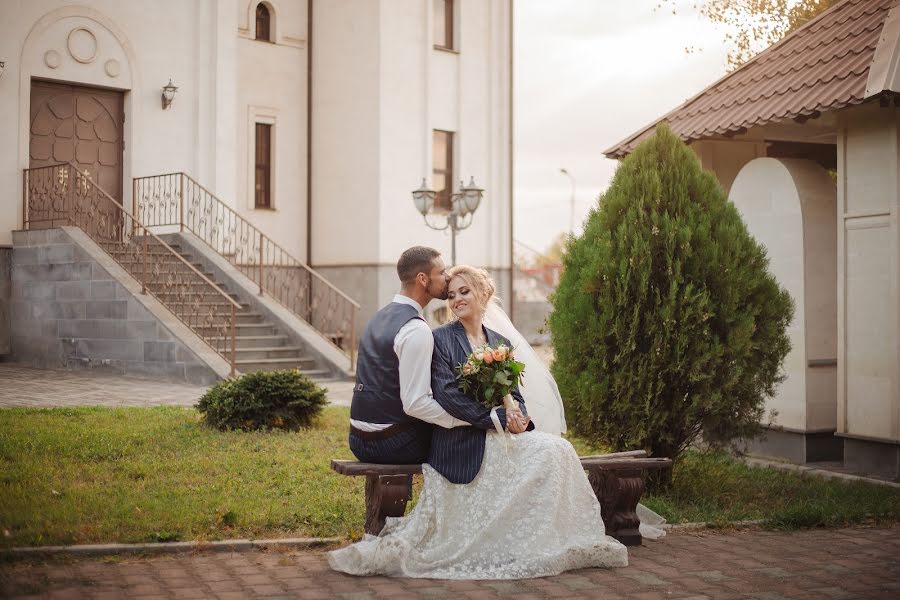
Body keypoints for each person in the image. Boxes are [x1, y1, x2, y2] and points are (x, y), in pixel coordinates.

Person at [329, 266, 629, 579]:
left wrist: (520, 418)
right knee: (548, 453)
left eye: (465, 292)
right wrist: (493, 418)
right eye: (452, 294)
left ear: (482, 294)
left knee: (559, 449)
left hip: (499, 434)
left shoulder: (499, 342)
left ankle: (538, 538)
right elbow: (446, 395)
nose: (457, 299)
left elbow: (513, 392)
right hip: (460, 439)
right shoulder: (440, 340)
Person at [347, 246, 470, 464]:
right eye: (441, 272)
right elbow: (416, 404)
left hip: (357, 439)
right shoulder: (415, 329)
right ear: (423, 279)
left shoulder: (378, 317)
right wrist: (468, 419)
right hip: (391, 443)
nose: (448, 277)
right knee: (467, 437)